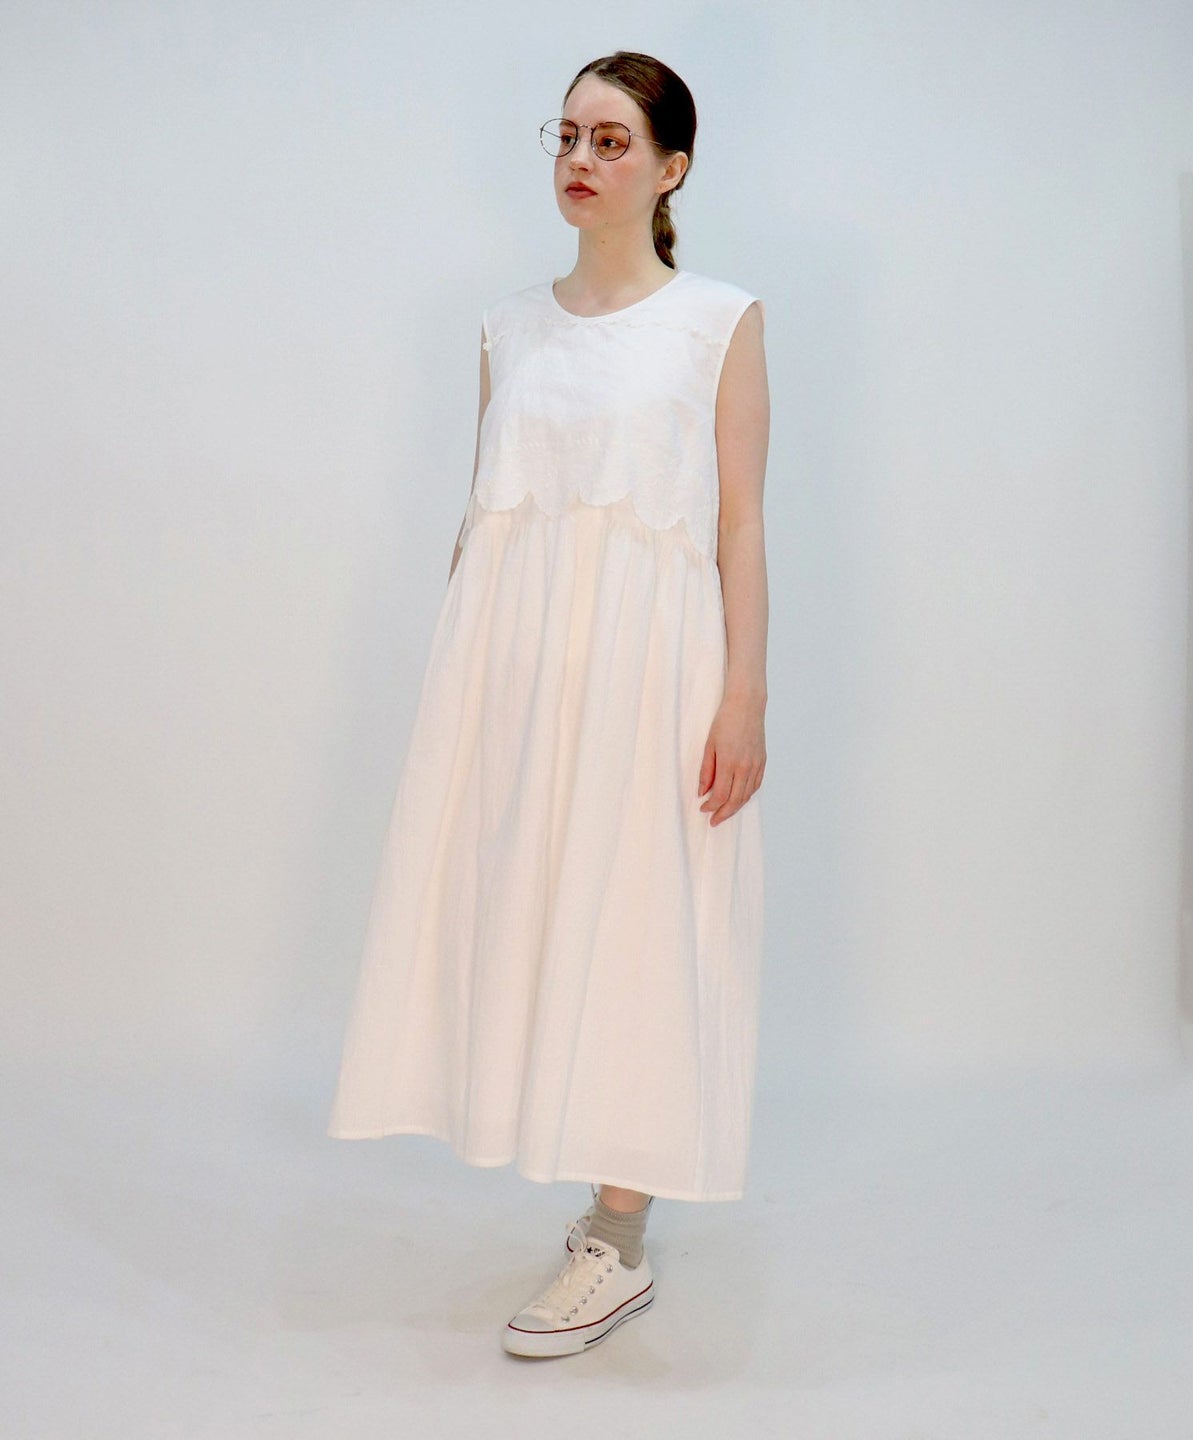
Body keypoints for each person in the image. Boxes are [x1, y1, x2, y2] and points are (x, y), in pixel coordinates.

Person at [325, 50, 770, 1360]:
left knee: (638, 920)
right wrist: (462, 694)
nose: (581, 159)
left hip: (655, 671)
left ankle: (617, 1239)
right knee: (520, 908)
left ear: (672, 169)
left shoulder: (720, 322)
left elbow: (742, 523)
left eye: (613, 140)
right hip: (515, 670)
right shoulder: (507, 328)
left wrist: (744, 695)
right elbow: (489, 519)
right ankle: (577, 1197)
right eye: (568, 134)